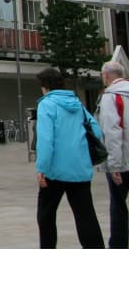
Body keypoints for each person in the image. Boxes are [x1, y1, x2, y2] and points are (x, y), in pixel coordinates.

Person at [35, 67, 104, 249]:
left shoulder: (46, 104)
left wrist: (41, 168)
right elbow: (96, 130)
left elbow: (46, 139)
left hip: (54, 171)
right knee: (86, 216)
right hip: (80, 169)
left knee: (46, 215)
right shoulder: (77, 104)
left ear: (45, 86)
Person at [94, 60, 129, 248]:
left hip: (122, 161)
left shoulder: (111, 97)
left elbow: (112, 131)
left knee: (118, 205)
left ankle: (118, 245)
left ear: (106, 75)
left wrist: (114, 165)